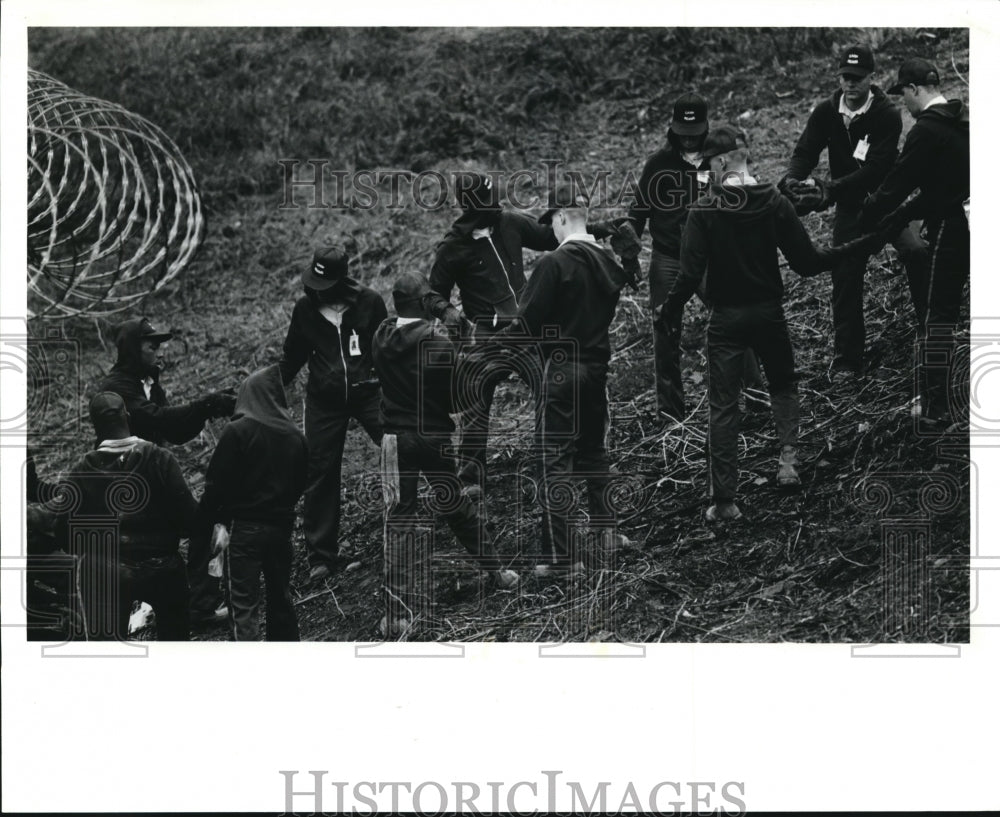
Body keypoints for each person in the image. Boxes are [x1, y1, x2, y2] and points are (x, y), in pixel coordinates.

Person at [664, 127, 881, 521]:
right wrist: (860, 245)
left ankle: (725, 500)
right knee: (783, 383)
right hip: (769, 313)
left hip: (726, 319)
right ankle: (788, 462)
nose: (705, 175)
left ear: (725, 161)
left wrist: (667, 311)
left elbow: (689, 274)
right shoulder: (774, 202)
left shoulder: (703, 212)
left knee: (723, 405)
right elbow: (808, 262)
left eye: (709, 166)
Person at [423, 171, 616, 499]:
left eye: (494, 198)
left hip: (528, 325)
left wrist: (596, 230)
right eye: (486, 202)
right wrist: (447, 311)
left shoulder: (509, 222)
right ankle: (471, 476)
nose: (494, 206)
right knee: (475, 398)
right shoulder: (453, 246)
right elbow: (430, 292)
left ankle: (558, 458)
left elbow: (550, 234)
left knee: (550, 389)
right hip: (485, 333)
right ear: (469, 206)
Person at [495, 183, 630, 576]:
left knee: (554, 460)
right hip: (596, 368)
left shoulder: (554, 264)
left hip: (559, 372)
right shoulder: (606, 262)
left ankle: (563, 558)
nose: (549, 231)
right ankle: (607, 533)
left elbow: (526, 323)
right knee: (593, 451)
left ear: (560, 217)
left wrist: (486, 348)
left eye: (550, 222)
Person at [372, 272, 518, 637]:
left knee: (399, 521)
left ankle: (397, 614)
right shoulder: (437, 344)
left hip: (395, 439)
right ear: (425, 305)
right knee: (454, 503)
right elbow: (458, 399)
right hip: (433, 437)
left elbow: (395, 324)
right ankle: (496, 570)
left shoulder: (380, 336)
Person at [780, 44, 931, 380]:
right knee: (845, 275)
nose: (850, 84)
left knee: (917, 252)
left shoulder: (886, 114)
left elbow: (876, 169)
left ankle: (931, 330)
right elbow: (805, 151)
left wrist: (828, 190)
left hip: (887, 202)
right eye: (845, 77)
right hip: (851, 209)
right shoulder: (826, 111)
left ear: (871, 78)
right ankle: (848, 358)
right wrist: (792, 180)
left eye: (858, 78)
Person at [629, 93, 764, 420]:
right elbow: (637, 214)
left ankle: (758, 400)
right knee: (665, 329)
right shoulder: (658, 165)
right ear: (673, 129)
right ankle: (671, 413)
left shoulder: (719, 161)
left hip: (710, 257)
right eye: (683, 131)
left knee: (733, 320)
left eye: (695, 131)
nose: (688, 137)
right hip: (668, 258)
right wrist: (629, 252)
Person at [98, 316, 233, 626]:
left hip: (156, 477)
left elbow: (173, 432)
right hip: (126, 487)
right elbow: (155, 419)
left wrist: (208, 410)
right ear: (134, 350)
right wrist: (206, 405)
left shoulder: (149, 383)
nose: (159, 353)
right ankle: (162, 608)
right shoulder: (116, 388)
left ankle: (199, 605)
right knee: (177, 537)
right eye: (152, 346)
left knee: (208, 524)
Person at [860, 58, 969, 428]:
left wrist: (871, 212)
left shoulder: (925, 131)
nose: (903, 104)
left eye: (903, 94)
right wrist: (900, 218)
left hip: (954, 230)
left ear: (915, 90)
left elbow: (900, 182)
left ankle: (937, 406)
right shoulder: (961, 121)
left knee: (938, 315)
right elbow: (942, 187)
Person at [279, 245, 387, 582]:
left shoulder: (369, 302)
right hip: (324, 401)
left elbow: (385, 346)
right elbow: (292, 357)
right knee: (320, 470)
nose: (314, 290)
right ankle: (321, 555)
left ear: (342, 280)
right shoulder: (305, 310)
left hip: (368, 391)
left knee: (400, 441)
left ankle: (437, 508)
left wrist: (395, 383)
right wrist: (266, 389)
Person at [54, 392, 198, 640]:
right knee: (176, 646)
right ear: (127, 416)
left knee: (107, 655)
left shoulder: (81, 470)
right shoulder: (160, 458)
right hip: (163, 566)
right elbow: (190, 520)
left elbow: (64, 533)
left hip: (105, 571)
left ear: (95, 426)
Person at [199, 365, 308, 641]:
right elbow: (304, 480)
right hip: (282, 529)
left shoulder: (238, 431)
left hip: (244, 530)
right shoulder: (296, 436)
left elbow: (215, 485)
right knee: (281, 597)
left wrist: (212, 522)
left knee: (243, 605)